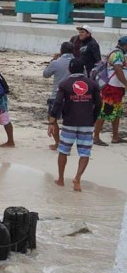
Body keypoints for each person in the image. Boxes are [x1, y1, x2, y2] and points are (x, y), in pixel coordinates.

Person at [48, 58, 101, 191]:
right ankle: (77, 178)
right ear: (83, 69)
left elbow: (58, 103)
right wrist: (93, 118)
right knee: (85, 153)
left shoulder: (64, 84)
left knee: (63, 151)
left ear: (69, 69)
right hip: (87, 123)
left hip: (69, 123)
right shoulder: (92, 84)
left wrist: (52, 121)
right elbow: (99, 103)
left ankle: (60, 179)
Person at [92, 36, 127, 146]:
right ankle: (96, 137)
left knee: (116, 112)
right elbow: (118, 69)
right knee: (105, 111)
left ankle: (115, 136)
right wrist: (126, 84)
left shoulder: (118, 53)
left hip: (116, 87)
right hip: (112, 88)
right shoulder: (118, 54)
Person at [43, 41, 75, 150]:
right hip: (73, 96)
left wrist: (53, 61)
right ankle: (66, 144)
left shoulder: (56, 62)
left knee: (52, 119)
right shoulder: (78, 62)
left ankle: (58, 143)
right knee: (69, 122)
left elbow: (46, 74)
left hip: (57, 95)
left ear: (61, 51)